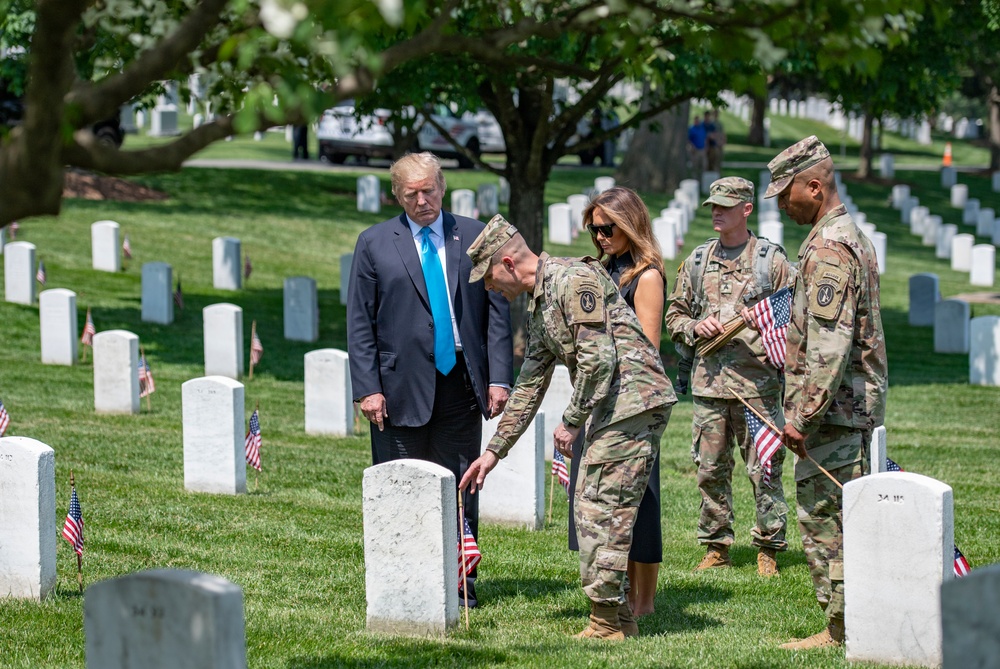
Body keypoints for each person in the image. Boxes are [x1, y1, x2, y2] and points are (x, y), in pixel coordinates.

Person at [459, 215, 677, 640]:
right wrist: (493, 452)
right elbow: (529, 386)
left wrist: (571, 422)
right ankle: (618, 618)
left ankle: (604, 622)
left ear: (506, 263)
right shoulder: (541, 305)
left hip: (633, 401)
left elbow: (599, 361)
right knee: (595, 505)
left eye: (487, 278)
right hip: (613, 405)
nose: (488, 289)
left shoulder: (572, 281)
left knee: (602, 508)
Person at [347, 152, 514, 608]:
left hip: (461, 382)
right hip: (397, 388)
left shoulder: (475, 235)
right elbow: (360, 321)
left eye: (429, 190)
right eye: (411, 194)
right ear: (396, 195)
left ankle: (462, 583)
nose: (422, 201)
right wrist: (367, 388)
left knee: (462, 482)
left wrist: (499, 377)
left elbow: (497, 313)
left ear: (442, 186)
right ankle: (402, 581)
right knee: (400, 484)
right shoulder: (375, 242)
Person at [762, 136, 887, 649]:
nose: (781, 203)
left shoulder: (831, 247)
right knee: (838, 518)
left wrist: (802, 417)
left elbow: (830, 346)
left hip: (835, 414)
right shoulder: (839, 236)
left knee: (826, 520)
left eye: (786, 193)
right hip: (842, 411)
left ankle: (842, 629)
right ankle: (846, 624)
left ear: (814, 187)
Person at [664, 176, 790, 577]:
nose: (716, 212)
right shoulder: (698, 261)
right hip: (710, 386)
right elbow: (674, 314)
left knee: (764, 468)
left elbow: (794, 315)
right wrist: (692, 327)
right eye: (713, 205)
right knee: (710, 469)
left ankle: (769, 545)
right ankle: (716, 544)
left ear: (746, 209)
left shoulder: (771, 261)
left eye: (725, 205)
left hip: (758, 387)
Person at [564, 186, 666, 617]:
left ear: (630, 225)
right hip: (596, 399)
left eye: (608, 228)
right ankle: (613, 586)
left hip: (632, 404)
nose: (601, 237)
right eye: (594, 229)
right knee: (598, 500)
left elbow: (648, 349)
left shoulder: (647, 276)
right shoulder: (602, 273)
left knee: (640, 503)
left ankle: (643, 601)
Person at [687, 114, 707, 182]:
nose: (697, 122)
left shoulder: (702, 129)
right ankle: (694, 181)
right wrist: (692, 147)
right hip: (695, 150)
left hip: (702, 150)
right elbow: (688, 140)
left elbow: (704, 138)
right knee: (695, 167)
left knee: (703, 165)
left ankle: (702, 181)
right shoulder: (691, 129)